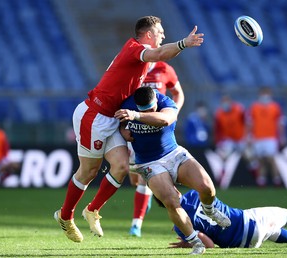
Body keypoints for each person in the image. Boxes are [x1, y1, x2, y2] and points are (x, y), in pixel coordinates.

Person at [53, 15, 204, 243]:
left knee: (122, 166)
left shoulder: (144, 60)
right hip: (93, 116)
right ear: (149, 35)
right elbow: (161, 53)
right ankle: (65, 216)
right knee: (89, 172)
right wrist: (184, 43)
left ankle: (92, 210)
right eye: (160, 32)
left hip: (111, 117)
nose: (163, 35)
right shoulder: (135, 48)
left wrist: (125, 123)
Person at [114, 86, 231, 255]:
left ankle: (209, 209)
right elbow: (117, 124)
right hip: (148, 162)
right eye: (144, 110)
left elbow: (165, 120)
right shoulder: (126, 105)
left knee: (207, 188)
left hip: (173, 153)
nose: (151, 110)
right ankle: (196, 242)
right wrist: (123, 131)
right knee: (171, 201)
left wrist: (136, 115)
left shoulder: (165, 101)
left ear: (155, 100)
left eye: (152, 108)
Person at [164, 189, 287, 249]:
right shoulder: (192, 193)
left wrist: (186, 243)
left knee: (271, 231)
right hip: (247, 222)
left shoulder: (180, 226)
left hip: (243, 244)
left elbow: (208, 245)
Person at [128, 61, 185, 237]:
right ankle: (150, 194)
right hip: (136, 127)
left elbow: (178, 94)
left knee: (145, 178)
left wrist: (171, 113)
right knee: (134, 180)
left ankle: (136, 224)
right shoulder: (132, 67)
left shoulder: (165, 68)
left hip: (157, 130)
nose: (161, 39)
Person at [248, 86, 286, 187]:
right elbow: (250, 123)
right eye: (263, 94)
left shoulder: (275, 107)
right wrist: (249, 136)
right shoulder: (254, 107)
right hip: (258, 137)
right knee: (260, 159)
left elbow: (280, 123)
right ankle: (261, 180)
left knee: (271, 158)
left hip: (271, 137)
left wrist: (282, 137)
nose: (265, 96)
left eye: (267, 94)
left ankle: (277, 179)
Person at [214, 94, 246, 159]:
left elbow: (247, 123)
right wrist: (218, 142)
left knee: (247, 155)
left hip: (241, 138)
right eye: (223, 101)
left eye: (227, 101)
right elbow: (217, 129)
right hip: (228, 139)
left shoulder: (239, 110)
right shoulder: (219, 114)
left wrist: (248, 136)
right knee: (224, 156)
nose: (225, 103)